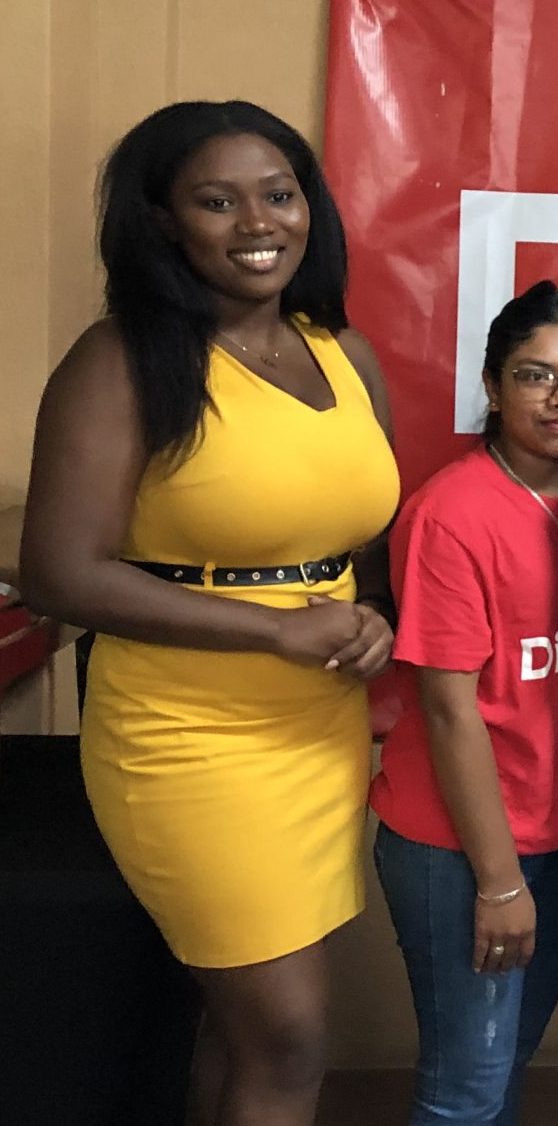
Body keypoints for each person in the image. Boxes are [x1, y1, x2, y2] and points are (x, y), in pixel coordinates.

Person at [19, 101, 399, 1125]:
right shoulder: (122, 361)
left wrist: (372, 617)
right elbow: (56, 571)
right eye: (216, 201)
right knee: (289, 1032)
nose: (256, 223)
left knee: (240, 1031)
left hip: (319, 731)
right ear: (162, 222)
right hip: (186, 737)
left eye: (277, 195)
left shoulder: (340, 355)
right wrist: (280, 628)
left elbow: (363, 531)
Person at [368, 280, 558, 1125]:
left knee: (505, 1068)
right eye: (536, 375)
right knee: (464, 1090)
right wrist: (501, 883)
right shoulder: (452, 513)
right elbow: (446, 709)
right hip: (463, 849)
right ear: (493, 383)